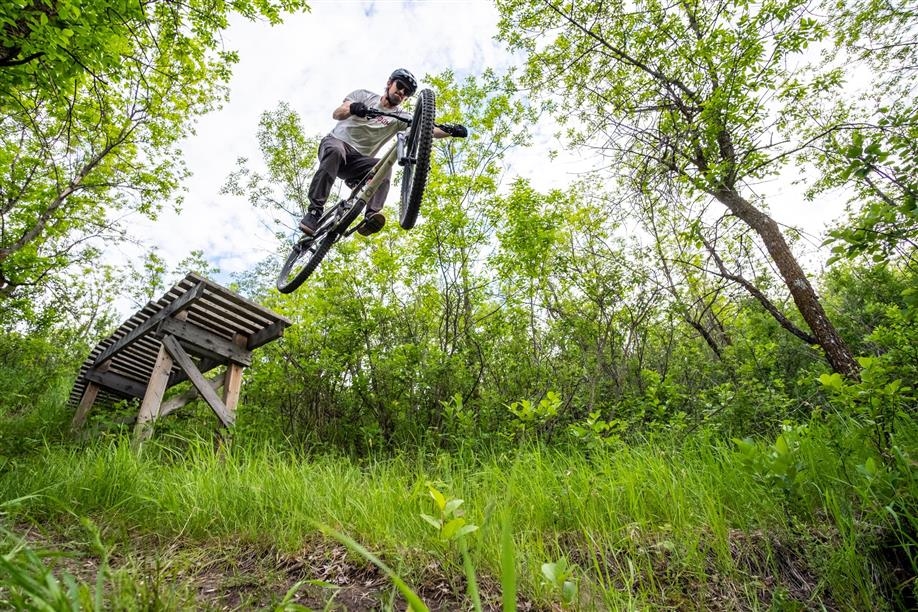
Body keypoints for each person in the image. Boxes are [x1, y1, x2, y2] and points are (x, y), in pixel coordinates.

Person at [299, 68, 468, 236]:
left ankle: (371, 216)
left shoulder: (401, 116)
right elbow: (337, 113)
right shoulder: (364, 96)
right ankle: (314, 212)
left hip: (358, 162)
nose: (401, 92)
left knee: (384, 167)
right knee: (336, 151)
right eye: (399, 86)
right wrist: (353, 108)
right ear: (389, 84)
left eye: (406, 92)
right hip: (336, 143)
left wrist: (451, 131)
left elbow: (427, 129)